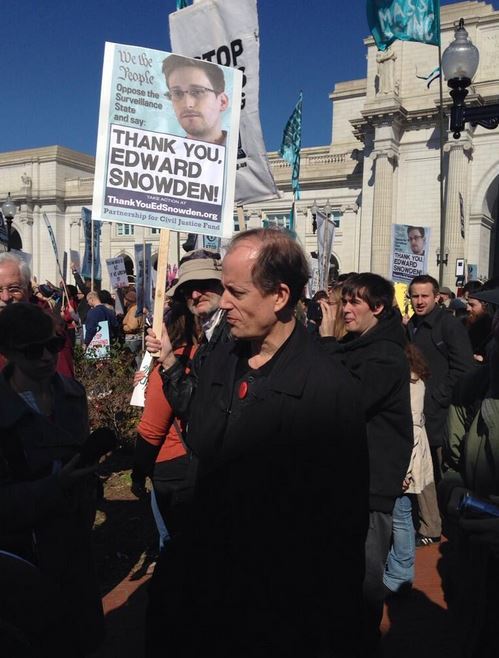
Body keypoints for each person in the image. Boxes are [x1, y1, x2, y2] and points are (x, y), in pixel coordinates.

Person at [146, 228, 368, 658]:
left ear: (280, 295)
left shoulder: (328, 386)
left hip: (283, 605)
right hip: (212, 586)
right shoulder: (221, 359)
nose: (222, 301)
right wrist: (173, 366)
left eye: (236, 291)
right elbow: (204, 435)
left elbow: (342, 523)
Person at [0, 302, 105, 656]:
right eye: (33, 350)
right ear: (9, 352)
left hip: (76, 548)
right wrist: (55, 487)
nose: (47, 357)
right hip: (25, 559)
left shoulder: (72, 395)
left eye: (53, 345)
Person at [321, 272, 413, 655]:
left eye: (354, 303)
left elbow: (344, 401)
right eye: (344, 302)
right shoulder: (364, 346)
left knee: (362, 578)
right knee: (342, 573)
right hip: (350, 479)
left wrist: (325, 341)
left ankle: (361, 641)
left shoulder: (386, 354)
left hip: (371, 484)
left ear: (378, 307)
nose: (345, 310)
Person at [407, 274, 474, 546]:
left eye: (425, 296)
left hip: (442, 411)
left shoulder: (448, 325)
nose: (420, 301)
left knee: (446, 472)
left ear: (437, 297)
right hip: (422, 410)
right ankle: (432, 525)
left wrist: (438, 396)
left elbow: (464, 367)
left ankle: (453, 527)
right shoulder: (411, 324)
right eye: (415, 296)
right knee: (427, 470)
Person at [384, 344, 434, 595]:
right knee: (400, 514)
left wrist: (404, 470)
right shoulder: (410, 378)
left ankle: (401, 574)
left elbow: (411, 428)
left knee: (401, 515)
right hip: (404, 456)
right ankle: (399, 570)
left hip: (406, 459)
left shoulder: (411, 383)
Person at [162, 54, 229, 145]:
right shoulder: (161, 156)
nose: (187, 104)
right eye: (177, 93)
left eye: (197, 92)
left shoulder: (246, 147)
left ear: (222, 102)